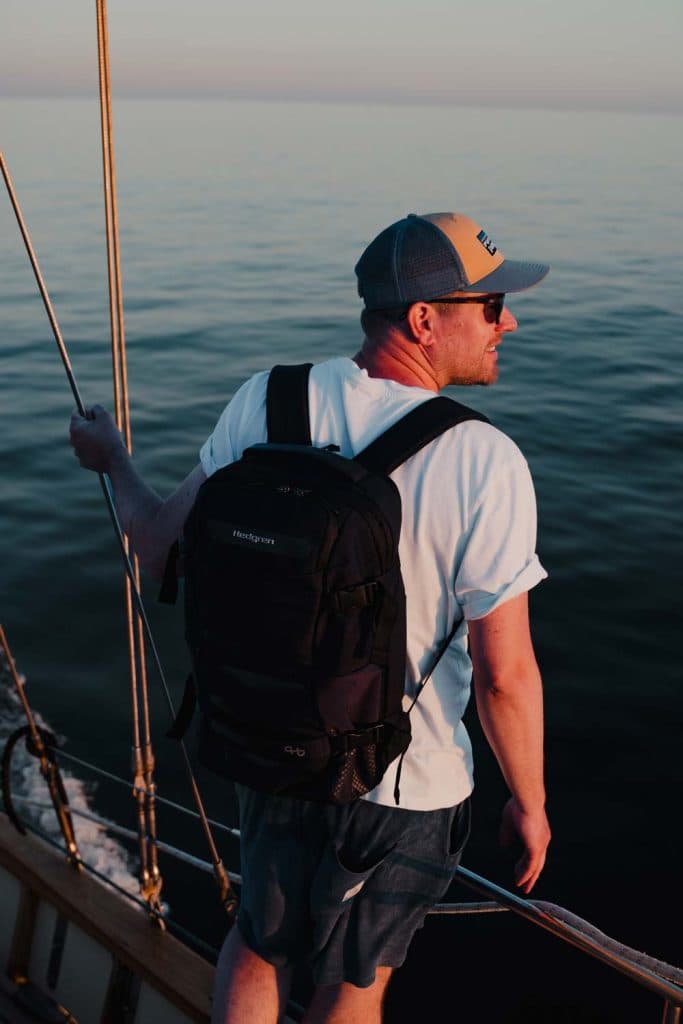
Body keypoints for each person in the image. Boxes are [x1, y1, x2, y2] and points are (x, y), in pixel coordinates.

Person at [70, 211, 551, 1024]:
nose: (510, 320)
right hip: (403, 785)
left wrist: (114, 461)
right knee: (350, 989)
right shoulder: (482, 457)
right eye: (491, 305)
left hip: (270, 749)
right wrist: (529, 803)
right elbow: (504, 675)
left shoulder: (266, 397)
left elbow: (156, 550)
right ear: (424, 320)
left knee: (256, 943)